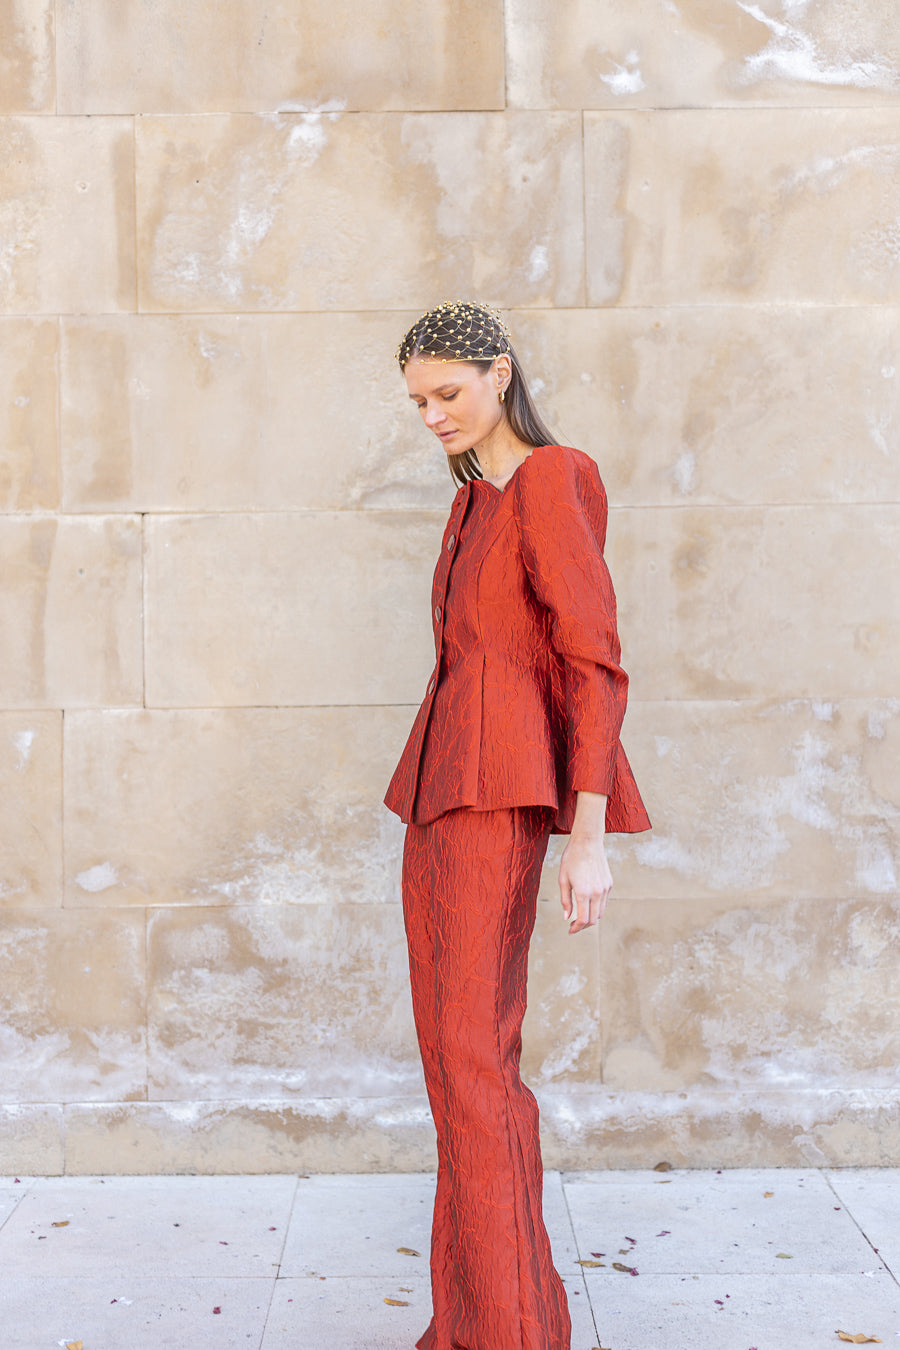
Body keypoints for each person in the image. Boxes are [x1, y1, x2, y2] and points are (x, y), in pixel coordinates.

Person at [384, 300, 651, 1350]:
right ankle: (476, 1322)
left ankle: (515, 1334)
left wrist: (587, 840)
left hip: (498, 794)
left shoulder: (552, 477)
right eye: (418, 402)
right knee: (453, 1064)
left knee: (475, 1062)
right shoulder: (472, 503)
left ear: (501, 374)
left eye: (448, 393)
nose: (433, 416)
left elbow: (593, 660)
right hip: (440, 796)